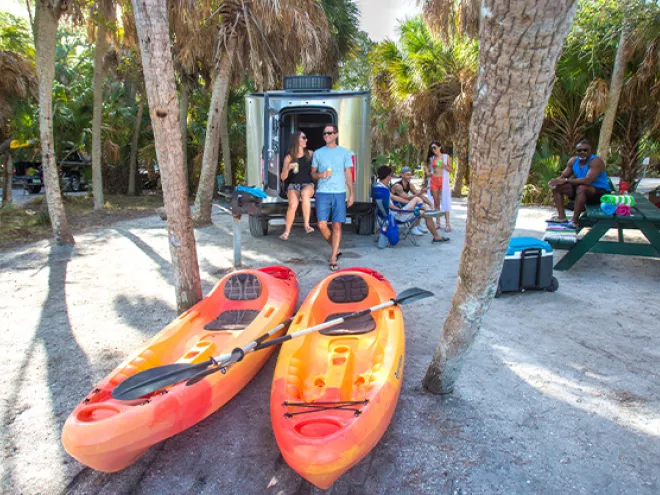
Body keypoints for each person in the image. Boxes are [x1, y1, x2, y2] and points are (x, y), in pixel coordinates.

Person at [311, 124, 355, 272]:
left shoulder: (345, 153)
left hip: (339, 192)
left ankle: (333, 258)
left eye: (329, 133)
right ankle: (335, 248)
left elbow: (348, 174)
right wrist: (320, 175)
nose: (326, 136)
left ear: (336, 135)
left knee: (337, 226)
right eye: (324, 134)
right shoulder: (318, 153)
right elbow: (313, 173)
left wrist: (352, 194)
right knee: (322, 225)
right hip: (322, 192)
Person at [376, 165, 449, 243]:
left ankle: (430, 210)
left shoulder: (380, 188)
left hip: (393, 212)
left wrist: (420, 198)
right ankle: (433, 228)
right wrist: (403, 208)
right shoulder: (395, 187)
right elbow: (398, 201)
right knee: (422, 209)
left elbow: (394, 198)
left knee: (420, 201)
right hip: (397, 214)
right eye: (390, 176)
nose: (391, 178)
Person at [548, 139, 611, 228]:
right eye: (579, 150)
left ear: (590, 151)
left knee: (582, 188)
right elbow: (563, 176)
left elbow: (588, 180)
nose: (582, 152)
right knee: (557, 187)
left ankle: (575, 221)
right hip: (581, 192)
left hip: (600, 194)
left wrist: (566, 180)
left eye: (585, 150)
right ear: (576, 151)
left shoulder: (596, 162)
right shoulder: (573, 161)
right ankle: (561, 217)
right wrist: (554, 182)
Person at [279, 131, 315, 240]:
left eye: (305, 138)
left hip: (308, 184)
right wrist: (288, 168)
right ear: (296, 140)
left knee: (304, 194)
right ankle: (286, 232)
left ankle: (307, 225)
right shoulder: (289, 157)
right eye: (303, 138)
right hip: (293, 186)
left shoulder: (310, 154)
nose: (306, 140)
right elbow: (283, 177)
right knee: (293, 205)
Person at [391, 166, 432, 234]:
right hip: (397, 209)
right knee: (418, 204)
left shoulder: (410, 185)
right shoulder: (398, 186)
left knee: (420, 202)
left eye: (410, 175)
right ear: (402, 175)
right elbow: (407, 198)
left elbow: (419, 195)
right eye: (408, 175)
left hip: (404, 204)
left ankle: (418, 225)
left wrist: (431, 204)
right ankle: (414, 227)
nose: (410, 176)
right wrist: (421, 192)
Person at [426, 141, 453, 232]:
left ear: (439, 147)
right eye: (432, 148)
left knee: (445, 202)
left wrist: (444, 165)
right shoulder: (431, 158)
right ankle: (438, 223)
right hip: (434, 181)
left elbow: (451, 170)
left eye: (435, 147)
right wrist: (428, 173)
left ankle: (448, 224)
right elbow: (429, 171)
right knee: (436, 202)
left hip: (443, 181)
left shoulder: (446, 157)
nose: (433, 150)